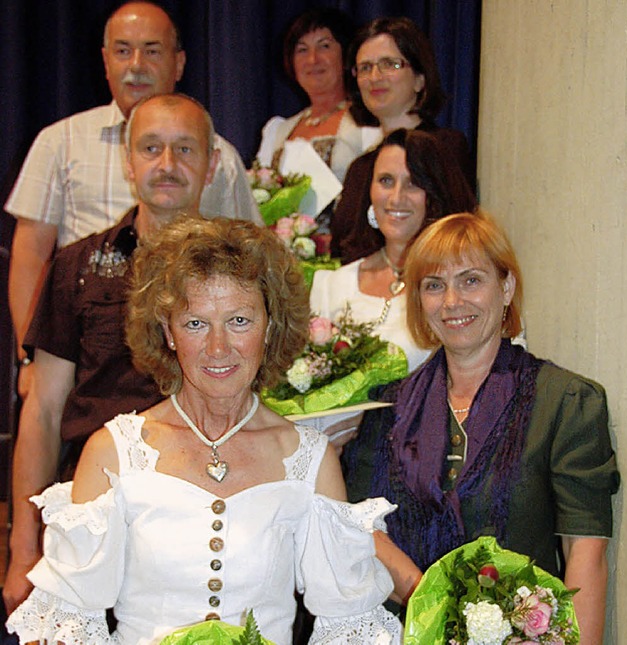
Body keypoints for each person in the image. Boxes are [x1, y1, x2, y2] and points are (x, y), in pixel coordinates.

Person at [6, 215, 417, 645]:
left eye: (239, 321)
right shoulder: (114, 452)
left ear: (270, 326)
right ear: (167, 332)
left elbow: (347, 627)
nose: (218, 348)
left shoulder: (309, 458)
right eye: (196, 323)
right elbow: (65, 628)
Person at [342, 212, 620, 644]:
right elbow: (361, 526)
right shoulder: (387, 408)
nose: (452, 301)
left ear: (506, 288)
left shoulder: (564, 402)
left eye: (471, 280)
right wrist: (436, 609)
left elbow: (585, 551)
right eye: (434, 285)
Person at [2, 93, 222, 616]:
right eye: (151, 148)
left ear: (211, 165)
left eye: (185, 149)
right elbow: (44, 412)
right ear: (128, 162)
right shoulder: (77, 266)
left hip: (212, 518)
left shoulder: (244, 272)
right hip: (92, 514)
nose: (167, 165)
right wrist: (21, 548)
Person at [6, 1, 261, 399]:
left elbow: (250, 257)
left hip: (191, 358)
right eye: (123, 50)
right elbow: (29, 256)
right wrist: (32, 357)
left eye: (152, 50)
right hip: (88, 351)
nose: (137, 64)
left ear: (179, 64)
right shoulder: (59, 142)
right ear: (105, 61)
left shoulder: (219, 154)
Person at [311, 128, 476, 375]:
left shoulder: (463, 286)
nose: (397, 198)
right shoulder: (330, 286)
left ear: (435, 195)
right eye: (386, 181)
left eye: (413, 183)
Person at [330, 16, 475, 261]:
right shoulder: (360, 169)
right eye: (365, 67)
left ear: (420, 78)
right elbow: (343, 249)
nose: (375, 76)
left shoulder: (446, 147)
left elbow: (454, 238)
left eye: (390, 64)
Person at [256, 8, 381, 233]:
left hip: (345, 256)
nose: (312, 59)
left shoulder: (368, 125)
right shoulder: (278, 130)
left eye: (324, 46)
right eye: (302, 50)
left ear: (346, 56)